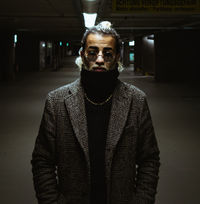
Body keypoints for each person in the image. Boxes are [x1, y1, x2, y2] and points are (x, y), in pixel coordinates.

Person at [31, 21, 160, 204]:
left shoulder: (136, 100)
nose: (100, 59)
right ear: (82, 55)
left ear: (116, 58)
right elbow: (42, 160)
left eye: (107, 54)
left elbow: (149, 159)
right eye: (93, 52)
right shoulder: (57, 101)